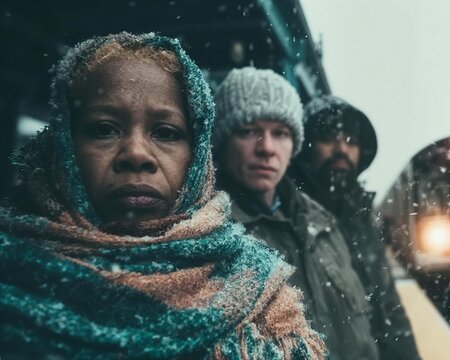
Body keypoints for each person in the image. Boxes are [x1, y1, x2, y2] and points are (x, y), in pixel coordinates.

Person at [0, 32, 325, 359]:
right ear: (64, 144)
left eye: (166, 132)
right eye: (104, 129)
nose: (136, 154)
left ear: (197, 156)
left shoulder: (259, 291)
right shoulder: (12, 272)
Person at [212, 67, 379, 360]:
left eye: (281, 133)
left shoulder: (323, 224)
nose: (267, 148)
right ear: (222, 142)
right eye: (248, 131)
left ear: (294, 147)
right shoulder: (206, 237)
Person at [289, 95, 421, 359]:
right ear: (305, 149)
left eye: (351, 141)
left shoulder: (361, 216)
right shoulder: (290, 213)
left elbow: (387, 304)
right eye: (328, 138)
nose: (341, 149)